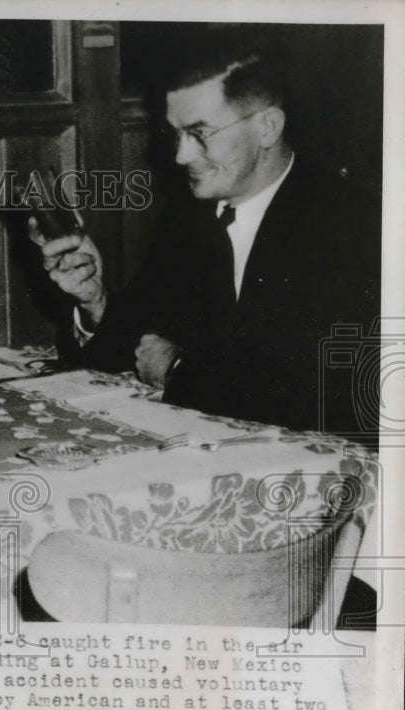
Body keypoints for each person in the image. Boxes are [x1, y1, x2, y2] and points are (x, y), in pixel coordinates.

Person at [37, 42, 381, 445]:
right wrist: (94, 300)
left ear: (267, 127)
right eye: (176, 134)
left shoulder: (353, 225)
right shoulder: (188, 219)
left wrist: (178, 370)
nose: (181, 156)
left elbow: (330, 396)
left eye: (199, 134)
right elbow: (140, 348)